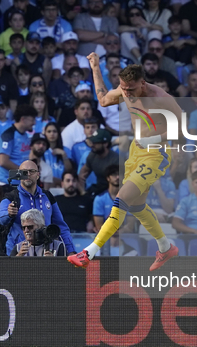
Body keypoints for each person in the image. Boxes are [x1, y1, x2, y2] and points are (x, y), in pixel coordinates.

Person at [68, 58, 180, 271]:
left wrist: (153, 140)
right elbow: (102, 99)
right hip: (135, 153)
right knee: (137, 206)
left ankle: (89, 252)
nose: (126, 93)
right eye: (124, 88)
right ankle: (166, 247)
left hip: (156, 154)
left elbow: (181, 129)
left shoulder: (162, 99)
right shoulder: (124, 90)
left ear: (143, 83)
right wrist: (95, 68)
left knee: (121, 199)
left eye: (130, 89)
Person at [0, 160, 75, 256]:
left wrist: (71, 250)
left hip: (45, 253)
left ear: (38, 175)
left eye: (31, 171)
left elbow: (61, 226)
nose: (28, 174)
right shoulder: (11, 197)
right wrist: (8, 214)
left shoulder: (48, 196)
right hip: (19, 254)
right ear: (19, 175)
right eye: (24, 172)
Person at [0, 104, 38, 184]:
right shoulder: (8, 136)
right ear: (23, 119)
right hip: (7, 183)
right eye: (32, 120)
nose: (34, 123)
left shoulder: (25, 135)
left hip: (20, 182)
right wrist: (24, 173)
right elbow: (3, 162)